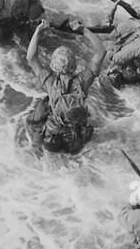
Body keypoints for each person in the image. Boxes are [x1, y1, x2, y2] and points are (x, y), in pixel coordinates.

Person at [23, 20, 106, 154]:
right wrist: (83, 29)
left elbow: (30, 57)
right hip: (75, 130)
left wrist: (38, 31)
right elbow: (101, 52)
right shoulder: (83, 80)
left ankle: (37, 149)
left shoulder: (50, 82)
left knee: (39, 110)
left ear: (54, 66)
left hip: (54, 132)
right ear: (74, 65)